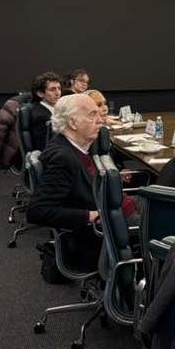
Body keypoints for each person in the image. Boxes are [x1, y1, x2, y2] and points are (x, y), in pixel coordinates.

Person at [27, 94, 105, 269]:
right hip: (93, 239)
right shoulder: (63, 158)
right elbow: (38, 211)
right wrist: (90, 215)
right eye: (93, 115)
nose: (100, 120)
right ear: (73, 123)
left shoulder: (73, 148)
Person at [29, 71, 62, 151]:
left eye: (59, 88)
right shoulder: (40, 117)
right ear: (40, 93)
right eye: (52, 89)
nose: (58, 93)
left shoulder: (59, 109)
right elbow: (46, 147)